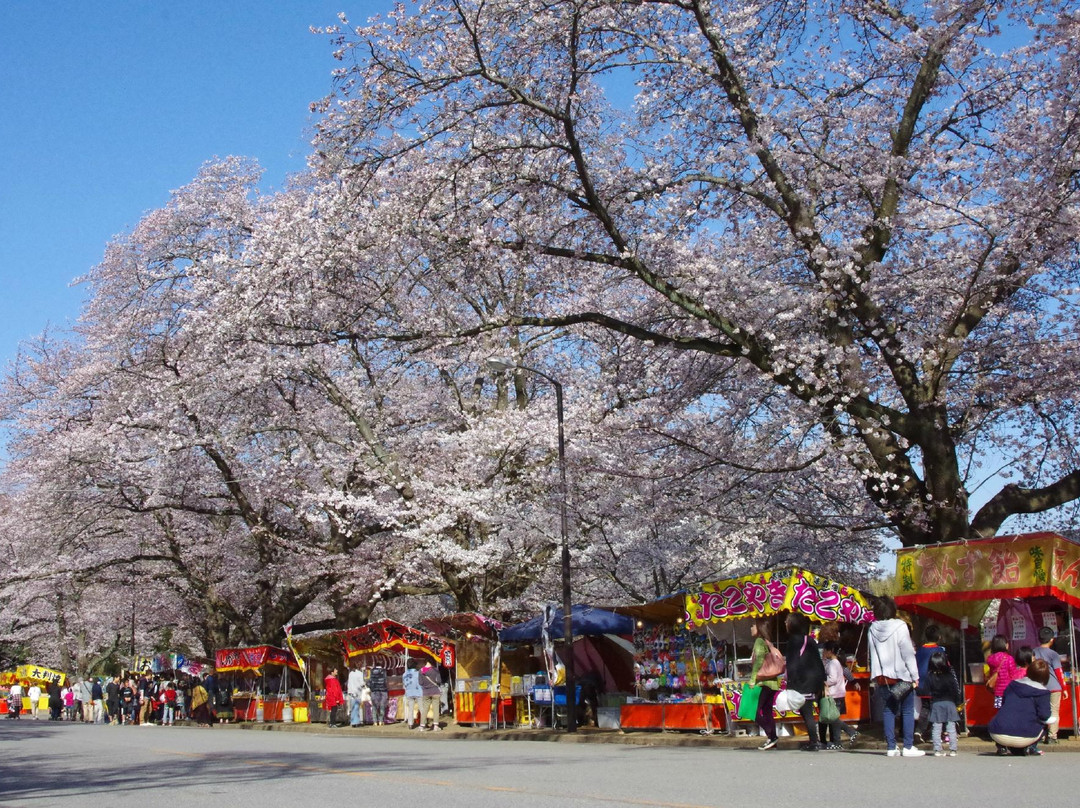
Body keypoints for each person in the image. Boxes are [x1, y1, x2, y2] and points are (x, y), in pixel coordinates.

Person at [869, 595, 924, 757]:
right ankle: (908, 746)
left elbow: (872, 653)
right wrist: (915, 675)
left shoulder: (872, 628)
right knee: (907, 710)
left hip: (883, 677)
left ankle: (891, 747)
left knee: (889, 710)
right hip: (902, 675)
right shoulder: (900, 626)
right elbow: (907, 653)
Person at [988, 657, 1052, 756]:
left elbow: (1004, 704)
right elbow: (1044, 715)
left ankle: (1002, 747)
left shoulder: (1012, 685)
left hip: (997, 732)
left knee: (1002, 716)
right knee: (1045, 723)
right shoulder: (1043, 692)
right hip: (1026, 735)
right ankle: (1031, 747)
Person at [784, 612, 826, 752]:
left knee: (807, 712)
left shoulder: (793, 641)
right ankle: (815, 740)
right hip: (814, 680)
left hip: (802, 681)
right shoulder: (810, 640)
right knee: (809, 711)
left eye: (787, 621)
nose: (785, 623)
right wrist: (822, 680)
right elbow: (818, 661)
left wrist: (790, 683)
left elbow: (792, 664)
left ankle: (814, 742)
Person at [748, 619, 782, 750]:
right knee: (767, 712)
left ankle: (772, 736)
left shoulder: (759, 641)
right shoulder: (768, 642)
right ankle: (772, 739)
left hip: (763, 682)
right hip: (773, 682)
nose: (751, 628)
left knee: (754, 710)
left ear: (759, 628)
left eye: (753, 625)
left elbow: (759, 660)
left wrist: (752, 679)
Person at [820, 641, 858, 749]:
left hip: (834, 693)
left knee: (833, 718)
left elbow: (833, 679)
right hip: (839, 693)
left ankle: (850, 731)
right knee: (834, 719)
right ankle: (837, 742)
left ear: (830, 651)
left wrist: (823, 682)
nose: (823, 652)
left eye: (825, 650)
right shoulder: (836, 662)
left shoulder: (833, 663)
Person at [1033, 626, 1067, 744]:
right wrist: (1064, 688)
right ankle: (1052, 736)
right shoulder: (1054, 654)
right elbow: (1059, 672)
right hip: (1054, 687)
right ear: (1052, 640)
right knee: (1054, 711)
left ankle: (1041, 735)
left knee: (1040, 710)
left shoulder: (1034, 652)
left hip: (1039, 686)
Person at [914, 623, 947, 742]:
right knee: (937, 708)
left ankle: (919, 731)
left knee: (925, 708)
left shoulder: (919, 651)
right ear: (939, 637)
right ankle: (936, 733)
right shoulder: (940, 650)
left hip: (922, 684)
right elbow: (944, 668)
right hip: (935, 684)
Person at [925, 651, 961, 757]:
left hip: (936, 703)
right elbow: (955, 690)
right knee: (951, 727)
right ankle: (953, 749)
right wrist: (957, 702)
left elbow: (927, 690)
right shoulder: (949, 675)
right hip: (950, 703)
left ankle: (937, 750)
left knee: (936, 728)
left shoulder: (930, 676)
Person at [986, 633, 1018, 709]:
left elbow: (992, 674)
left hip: (997, 692)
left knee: (999, 711)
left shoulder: (990, 659)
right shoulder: (1009, 658)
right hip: (1009, 691)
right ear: (1005, 645)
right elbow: (1013, 675)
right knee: (1010, 710)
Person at [419, 658, 442, 731]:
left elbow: (420, 683)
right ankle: (435, 726)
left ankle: (422, 726)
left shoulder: (420, 671)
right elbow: (439, 681)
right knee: (435, 709)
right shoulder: (435, 670)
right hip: (435, 691)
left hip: (426, 692)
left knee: (425, 709)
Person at [403, 659, 423, 729]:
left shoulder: (404, 674)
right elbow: (421, 682)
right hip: (418, 692)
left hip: (409, 692)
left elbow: (404, 684)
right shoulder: (418, 673)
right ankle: (423, 723)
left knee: (410, 709)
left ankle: (410, 724)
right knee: (421, 708)